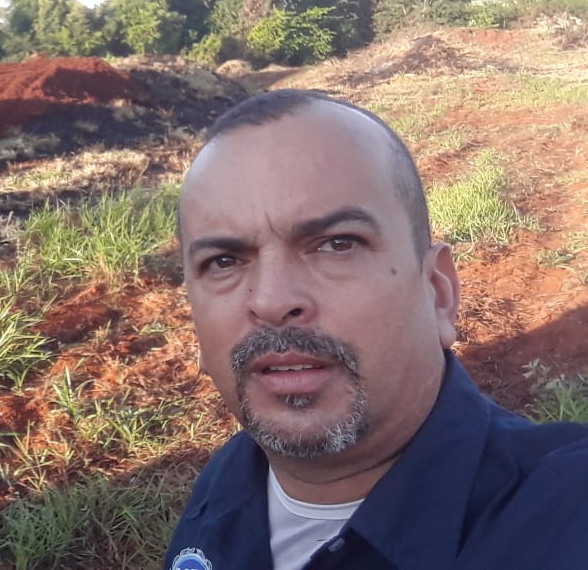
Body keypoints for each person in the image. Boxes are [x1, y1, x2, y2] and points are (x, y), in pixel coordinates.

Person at [163, 89, 588, 570]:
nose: (272, 301)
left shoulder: (561, 509)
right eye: (223, 261)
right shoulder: (226, 479)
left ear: (438, 293)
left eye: (337, 244)